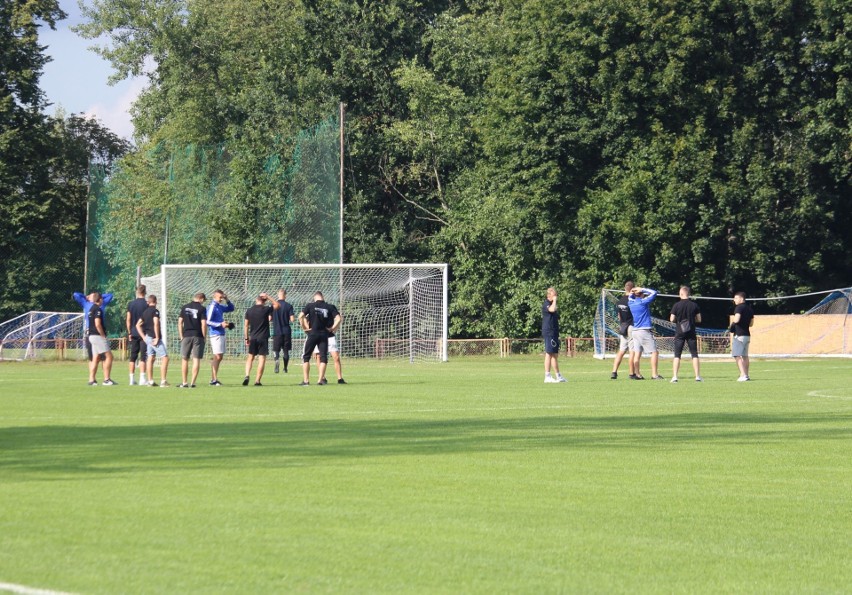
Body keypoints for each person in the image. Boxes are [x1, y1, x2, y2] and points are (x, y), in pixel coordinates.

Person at [298, 291, 341, 386]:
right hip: (324, 335)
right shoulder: (329, 306)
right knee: (323, 358)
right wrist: (333, 328)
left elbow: (300, 316)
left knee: (306, 357)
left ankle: (306, 381)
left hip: (312, 334)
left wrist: (305, 328)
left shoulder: (310, 305)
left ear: (314, 298)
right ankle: (320, 380)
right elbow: (339, 318)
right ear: (323, 297)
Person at [628, 286, 664, 380]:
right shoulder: (643, 302)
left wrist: (633, 291)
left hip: (635, 331)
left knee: (637, 353)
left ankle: (637, 374)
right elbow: (654, 292)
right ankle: (654, 375)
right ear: (641, 294)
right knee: (654, 352)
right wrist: (642, 289)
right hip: (644, 331)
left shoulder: (631, 302)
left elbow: (630, 296)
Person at [243, 292, 279, 386]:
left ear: (256, 300)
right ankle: (257, 381)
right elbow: (277, 305)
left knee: (250, 357)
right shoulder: (266, 309)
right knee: (262, 359)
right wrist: (268, 296)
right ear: (264, 301)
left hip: (253, 337)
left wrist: (246, 338)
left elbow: (246, 325)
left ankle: (247, 375)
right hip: (263, 338)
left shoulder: (249, 310)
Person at [669, 285, 703, 383]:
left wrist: (677, 320)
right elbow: (699, 319)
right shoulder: (694, 305)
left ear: (681, 294)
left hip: (680, 332)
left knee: (677, 355)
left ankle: (675, 376)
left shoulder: (676, 305)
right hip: (691, 331)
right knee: (694, 354)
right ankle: (697, 376)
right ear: (689, 294)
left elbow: (671, 319)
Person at [136, 294, 170, 387]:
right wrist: (157, 337)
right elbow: (156, 323)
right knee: (165, 358)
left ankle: (150, 381)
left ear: (148, 302)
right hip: (154, 338)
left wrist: (143, 337)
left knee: (151, 358)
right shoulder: (155, 311)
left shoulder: (145, 312)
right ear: (156, 301)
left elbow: (137, 325)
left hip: (148, 338)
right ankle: (163, 381)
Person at [74, 290, 114, 362]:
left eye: (95, 295)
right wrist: (86, 296)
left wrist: (99, 295)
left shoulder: (102, 304)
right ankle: (92, 373)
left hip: (99, 332)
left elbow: (110, 295)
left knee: (104, 357)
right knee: (92, 358)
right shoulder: (86, 303)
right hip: (90, 332)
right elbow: (76, 294)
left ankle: (104, 373)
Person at [178, 293, 208, 388]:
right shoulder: (202, 309)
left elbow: (179, 322)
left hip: (186, 335)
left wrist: (181, 336)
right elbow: (203, 324)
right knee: (196, 359)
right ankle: (193, 383)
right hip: (198, 336)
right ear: (201, 299)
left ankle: (184, 382)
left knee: (184, 359)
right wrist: (204, 336)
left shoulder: (184, 307)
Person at [86, 292, 116, 385]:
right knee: (109, 356)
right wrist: (103, 335)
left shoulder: (91, 309)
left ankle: (92, 380)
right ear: (100, 299)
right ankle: (106, 379)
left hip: (91, 336)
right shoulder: (98, 309)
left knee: (96, 358)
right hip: (97, 336)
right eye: (102, 298)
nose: (103, 300)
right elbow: (97, 324)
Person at [206, 289, 235, 386]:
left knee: (220, 356)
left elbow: (231, 308)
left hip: (221, 333)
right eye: (220, 297)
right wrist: (220, 324)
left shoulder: (219, 306)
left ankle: (214, 378)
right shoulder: (212, 306)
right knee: (217, 356)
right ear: (215, 296)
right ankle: (213, 379)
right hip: (215, 334)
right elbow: (208, 321)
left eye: (222, 297)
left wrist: (227, 299)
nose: (221, 299)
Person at [611, 281, 636, 380]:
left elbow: (619, 316)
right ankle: (631, 373)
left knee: (621, 351)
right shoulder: (632, 300)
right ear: (632, 289)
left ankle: (614, 372)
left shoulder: (620, 301)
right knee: (632, 351)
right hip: (631, 327)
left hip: (623, 327)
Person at [542, 287, 567, 383]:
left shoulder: (552, 304)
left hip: (554, 332)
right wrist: (555, 300)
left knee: (555, 354)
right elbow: (552, 309)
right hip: (549, 332)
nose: (556, 297)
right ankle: (547, 376)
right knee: (549, 353)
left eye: (556, 295)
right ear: (549, 295)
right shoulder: (547, 304)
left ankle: (558, 376)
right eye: (554, 295)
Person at [126, 284, 149, 385]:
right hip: (144, 332)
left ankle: (131, 379)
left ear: (137, 292)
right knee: (143, 356)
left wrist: (129, 332)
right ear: (145, 292)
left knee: (133, 356)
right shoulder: (147, 304)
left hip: (134, 332)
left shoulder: (131, 304)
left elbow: (128, 319)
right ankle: (142, 379)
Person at [730, 291, 755, 381]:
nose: (734, 300)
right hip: (747, 335)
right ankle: (746, 375)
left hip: (739, 335)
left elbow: (736, 320)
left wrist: (732, 325)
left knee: (736, 355)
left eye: (736, 298)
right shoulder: (749, 308)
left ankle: (743, 375)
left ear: (741, 299)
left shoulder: (739, 308)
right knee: (745, 356)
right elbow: (751, 323)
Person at [316, 309, 345, 385]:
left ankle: (340, 378)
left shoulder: (329, 308)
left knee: (336, 357)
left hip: (330, 337)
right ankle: (322, 378)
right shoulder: (314, 310)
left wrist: (334, 328)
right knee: (318, 357)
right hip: (318, 336)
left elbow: (339, 318)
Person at [272, 289, 295, 374]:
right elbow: (292, 319)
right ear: (285, 295)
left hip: (276, 331)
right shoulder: (289, 306)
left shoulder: (273, 306)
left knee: (276, 350)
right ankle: (285, 368)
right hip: (286, 331)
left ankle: (277, 360)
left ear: (278, 295)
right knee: (286, 351)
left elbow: (269, 318)